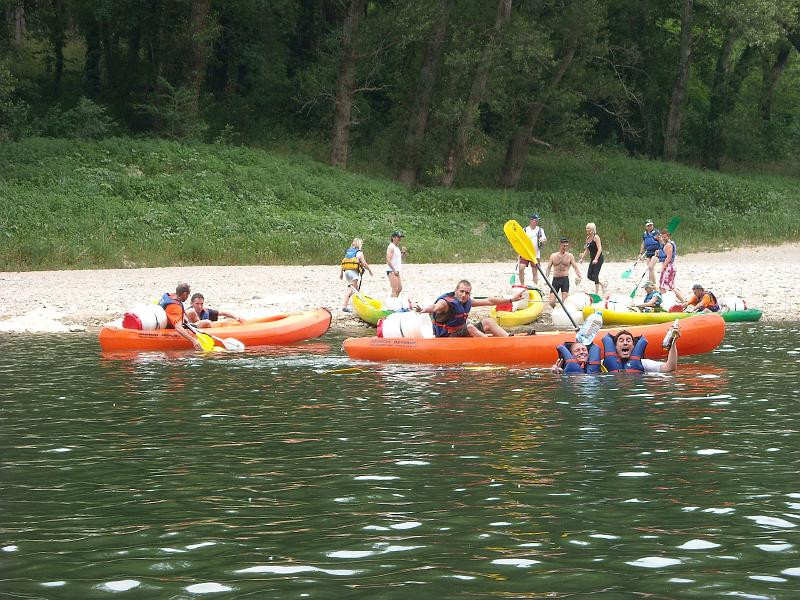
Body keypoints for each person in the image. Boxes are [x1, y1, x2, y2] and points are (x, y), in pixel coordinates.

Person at [415, 279, 526, 338]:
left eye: (467, 293)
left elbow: (490, 301)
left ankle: (509, 338)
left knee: (488, 321)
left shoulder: (468, 301)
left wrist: (512, 299)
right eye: (461, 291)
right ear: (456, 291)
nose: (464, 295)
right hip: (447, 336)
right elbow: (434, 307)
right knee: (470, 327)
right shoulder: (446, 303)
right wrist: (423, 309)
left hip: (460, 332)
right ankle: (491, 346)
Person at [601, 326, 680, 373]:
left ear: (633, 346)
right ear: (615, 347)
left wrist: (673, 341)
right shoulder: (603, 364)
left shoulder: (643, 363)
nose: (625, 343)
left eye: (628, 340)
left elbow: (670, 368)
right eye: (621, 341)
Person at [158, 282, 202, 350]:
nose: (188, 297)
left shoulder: (170, 296)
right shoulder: (175, 307)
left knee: (192, 312)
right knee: (205, 323)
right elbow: (178, 327)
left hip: (166, 319)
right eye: (188, 295)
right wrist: (193, 340)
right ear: (184, 294)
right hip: (170, 327)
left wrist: (183, 315)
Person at [545, 237, 582, 308]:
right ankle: (556, 309)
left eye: (566, 246)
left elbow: (575, 267)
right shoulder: (553, 256)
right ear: (560, 245)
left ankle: (563, 313)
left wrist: (579, 276)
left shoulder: (570, 256)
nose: (565, 247)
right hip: (555, 279)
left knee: (564, 302)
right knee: (551, 302)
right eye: (564, 246)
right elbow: (548, 268)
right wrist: (547, 277)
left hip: (564, 279)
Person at [340, 238, 374, 312]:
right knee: (352, 289)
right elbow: (364, 264)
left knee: (356, 290)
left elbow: (343, 263)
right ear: (359, 244)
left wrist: (341, 274)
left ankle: (357, 305)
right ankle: (344, 306)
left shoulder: (348, 252)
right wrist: (370, 270)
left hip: (346, 272)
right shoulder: (359, 253)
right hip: (353, 273)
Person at [518, 213, 546, 286]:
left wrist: (543, 240)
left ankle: (535, 285)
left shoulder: (540, 230)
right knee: (521, 268)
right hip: (525, 253)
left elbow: (544, 238)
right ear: (531, 220)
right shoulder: (524, 230)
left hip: (535, 253)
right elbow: (519, 241)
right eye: (536, 220)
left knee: (535, 271)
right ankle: (522, 284)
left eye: (538, 221)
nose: (537, 222)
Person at [579, 222, 606, 296]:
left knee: (595, 275)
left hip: (599, 258)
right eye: (586, 229)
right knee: (589, 276)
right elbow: (587, 250)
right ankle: (602, 284)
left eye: (588, 229)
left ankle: (596, 293)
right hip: (592, 259)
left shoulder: (596, 237)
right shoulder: (587, 238)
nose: (587, 231)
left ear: (592, 230)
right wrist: (582, 258)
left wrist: (596, 259)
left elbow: (600, 248)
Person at [649, 229, 676, 294]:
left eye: (665, 237)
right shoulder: (665, 244)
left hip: (668, 267)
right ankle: (683, 301)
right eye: (662, 237)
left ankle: (682, 301)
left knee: (664, 287)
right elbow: (664, 252)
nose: (663, 238)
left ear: (668, 237)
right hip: (667, 266)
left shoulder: (669, 244)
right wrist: (659, 252)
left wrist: (662, 268)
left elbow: (668, 258)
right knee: (667, 286)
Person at [639, 220, 662, 284]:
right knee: (650, 269)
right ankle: (650, 283)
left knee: (651, 267)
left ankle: (654, 284)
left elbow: (662, 242)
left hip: (656, 252)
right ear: (646, 227)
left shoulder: (656, 232)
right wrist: (640, 253)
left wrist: (659, 239)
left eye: (651, 225)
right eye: (648, 226)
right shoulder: (644, 234)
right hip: (648, 252)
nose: (650, 227)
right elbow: (643, 243)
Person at [386, 231, 404, 297]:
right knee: (395, 289)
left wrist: (403, 254)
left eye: (400, 237)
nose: (399, 239)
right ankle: (393, 304)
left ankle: (394, 301)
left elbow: (396, 258)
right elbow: (388, 259)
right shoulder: (391, 247)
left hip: (396, 270)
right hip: (391, 270)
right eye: (398, 237)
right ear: (393, 238)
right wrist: (393, 270)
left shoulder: (397, 247)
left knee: (399, 288)